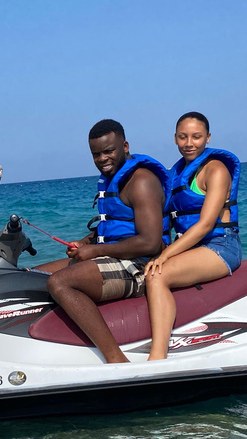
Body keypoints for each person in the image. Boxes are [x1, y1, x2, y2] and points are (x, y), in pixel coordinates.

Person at [35, 119, 170, 363]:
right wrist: (86, 242)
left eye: (109, 151)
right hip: (117, 255)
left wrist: (95, 251)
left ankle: (116, 359)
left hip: (142, 265)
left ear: (125, 146)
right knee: (31, 276)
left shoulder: (141, 181)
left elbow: (150, 243)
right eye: (96, 154)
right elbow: (115, 226)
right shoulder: (112, 179)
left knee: (60, 283)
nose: (102, 159)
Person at [144, 112, 242, 360]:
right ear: (175, 138)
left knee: (158, 275)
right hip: (190, 247)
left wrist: (165, 255)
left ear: (208, 138)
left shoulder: (216, 170)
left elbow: (206, 224)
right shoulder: (177, 173)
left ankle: (158, 357)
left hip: (220, 246)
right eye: (183, 137)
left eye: (196, 137)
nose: (189, 143)